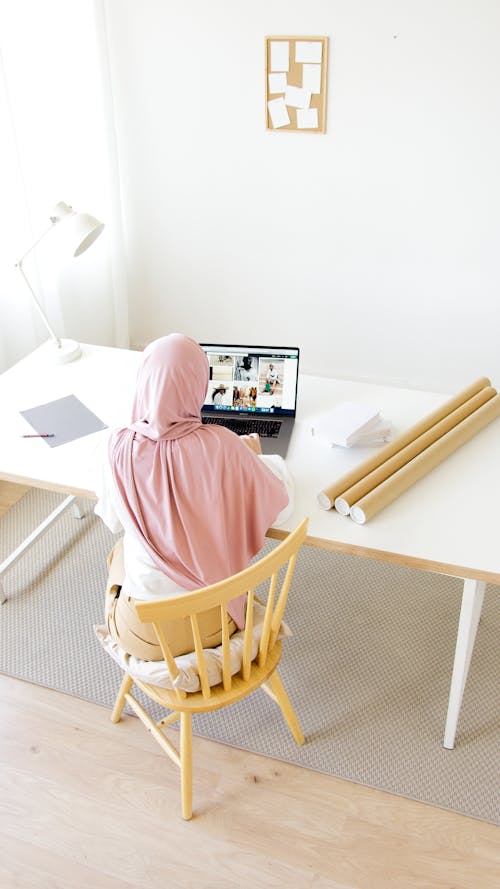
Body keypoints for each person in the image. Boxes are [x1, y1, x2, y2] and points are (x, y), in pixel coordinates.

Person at [94, 334, 294, 661]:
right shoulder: (222, 445)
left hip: (141, 634)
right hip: (214, 625)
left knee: (119, 552)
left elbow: (113, 520)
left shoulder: (114, 447)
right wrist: (252, 460)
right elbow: (280, 503)